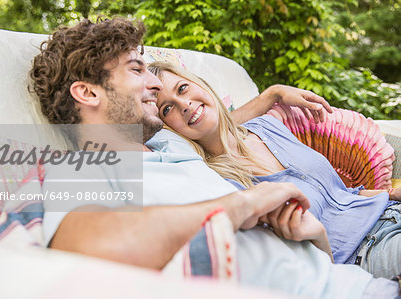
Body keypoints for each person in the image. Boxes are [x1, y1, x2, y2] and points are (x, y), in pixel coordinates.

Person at [29, 17, 400, 298]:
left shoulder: (171, 146)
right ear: (87, 93)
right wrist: (241, 204)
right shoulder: (78, 167)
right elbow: (82, 247)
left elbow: (217, 122)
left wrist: (316, 236)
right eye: (137, 70)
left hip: (355, 282)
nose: (155, 84)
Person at [149, 61, 401, 279]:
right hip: (365, 251)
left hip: (389, 212)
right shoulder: (218, 183)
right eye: (167, 109)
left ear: (200, 84)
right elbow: (298, 268)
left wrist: (389, 194)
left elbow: (342, 195)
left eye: (183, 88)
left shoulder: (266, 126)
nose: (183, 104)